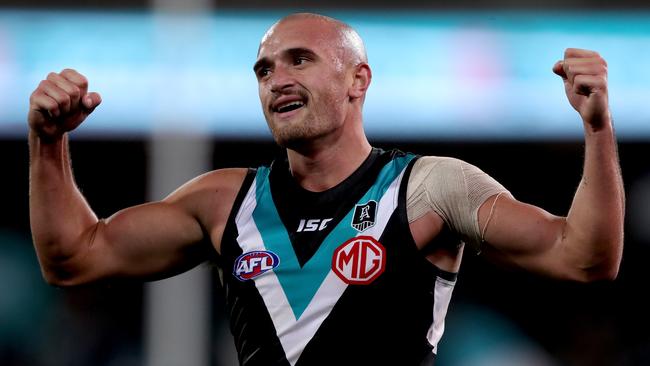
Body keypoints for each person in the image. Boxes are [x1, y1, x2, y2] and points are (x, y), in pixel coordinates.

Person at [28, 12, 624, 366]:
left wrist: (597, 128)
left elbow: (584, 258)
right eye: (264, 70)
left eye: (299, 61)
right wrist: (47, 143)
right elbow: (75, 258)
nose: (277, 80)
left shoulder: (430, 188)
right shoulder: (223, 201)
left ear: (357, 80)